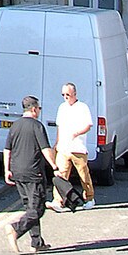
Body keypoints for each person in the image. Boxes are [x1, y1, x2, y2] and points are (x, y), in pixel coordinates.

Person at [4, 94, 56, 254]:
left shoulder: (15, 125)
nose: (39, 111)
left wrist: (6, 170)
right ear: (34, 109)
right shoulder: (37, 126)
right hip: (33, 172)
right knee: (38, 209)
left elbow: (7, 149)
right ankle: (15, 228)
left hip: (17, 172)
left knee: (30, 208)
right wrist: (55, 166)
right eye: (39, 108)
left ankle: (37, 242)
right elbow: (45, 149)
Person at [52, 82, 96, 210]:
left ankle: (89, 198)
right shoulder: (62, 107)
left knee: (83, 175)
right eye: (63, 94)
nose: (65, 97)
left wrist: (77, 133)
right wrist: (57, 143)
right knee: (61, 175)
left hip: (78, 148)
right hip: (63, 147)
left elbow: (88, 125)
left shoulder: (82, 107)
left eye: (68, 94)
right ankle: (58, 201)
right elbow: (59, 127)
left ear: (74, 94)